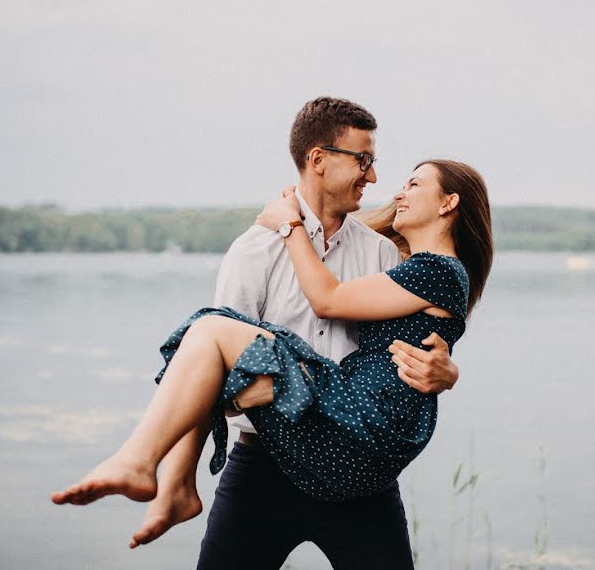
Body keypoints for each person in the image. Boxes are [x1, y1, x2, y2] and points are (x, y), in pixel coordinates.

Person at [52, 98, 480, 569]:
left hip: (355, 468)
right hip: (263, 466)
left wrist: (448, 371)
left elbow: (418, 325)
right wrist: (228, 414)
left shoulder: (382, 254)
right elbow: (207, 373)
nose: (374, 177)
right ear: (318, 159)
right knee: (206, 335)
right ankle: (171, 484)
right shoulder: (253, 251)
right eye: (364, 161)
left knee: (207, 329)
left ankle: (153, 470)